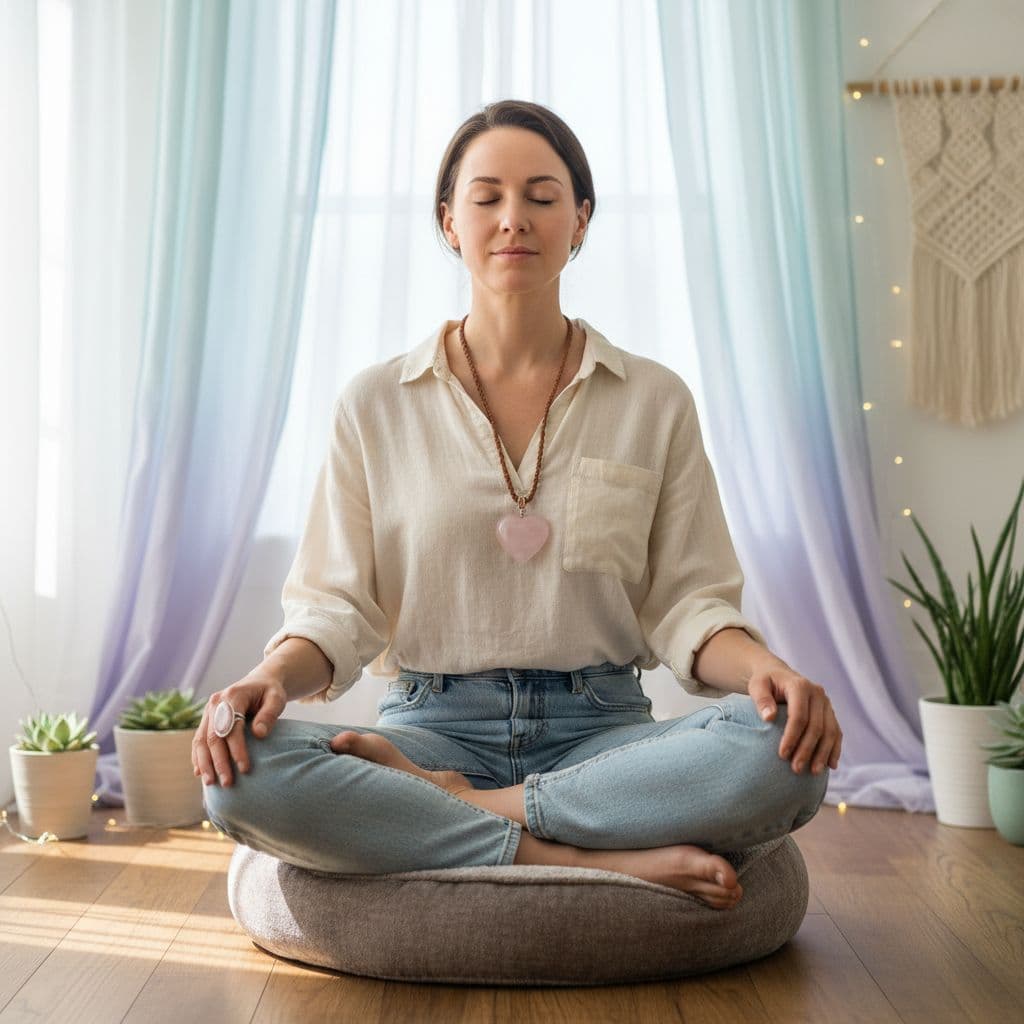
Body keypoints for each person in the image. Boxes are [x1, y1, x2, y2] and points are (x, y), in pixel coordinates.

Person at [194, 99, 842, 911]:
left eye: (541, 196)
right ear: (449, 222)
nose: (514, 220)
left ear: (580, 220)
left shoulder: (654, 399)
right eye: (487, 197)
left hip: (604, 732)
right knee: (243, 779)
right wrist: (268, 678)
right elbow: (335, 610)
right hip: (429, 727)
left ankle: (469, 814)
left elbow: (690, 606)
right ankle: (589, 856)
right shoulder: (374, 404)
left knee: (780, 754)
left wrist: (770, 672)